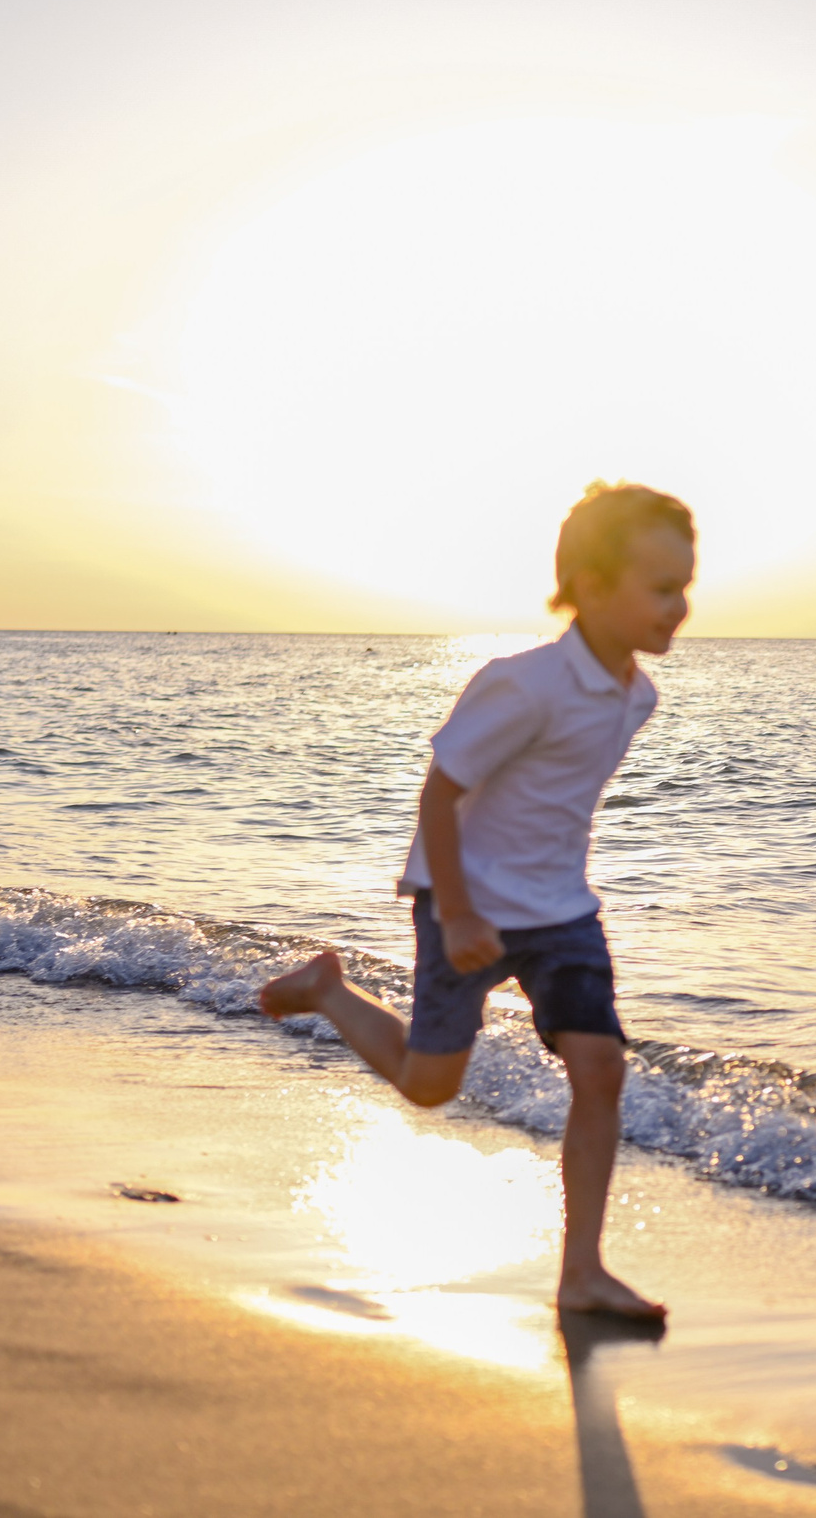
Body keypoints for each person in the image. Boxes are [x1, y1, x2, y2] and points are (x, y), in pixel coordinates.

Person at [257, 482, 694, 1320]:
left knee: (600, 1069)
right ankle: (328, 990)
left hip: (562, 912)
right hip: (467, 901)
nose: (678, 606)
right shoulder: (523, 685)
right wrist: (456, 910)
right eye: (659, 586)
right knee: (429, 1087)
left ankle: (582, 1273)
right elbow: (441, 793)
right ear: (592, 585)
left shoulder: (637, 697)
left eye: (684, 586)